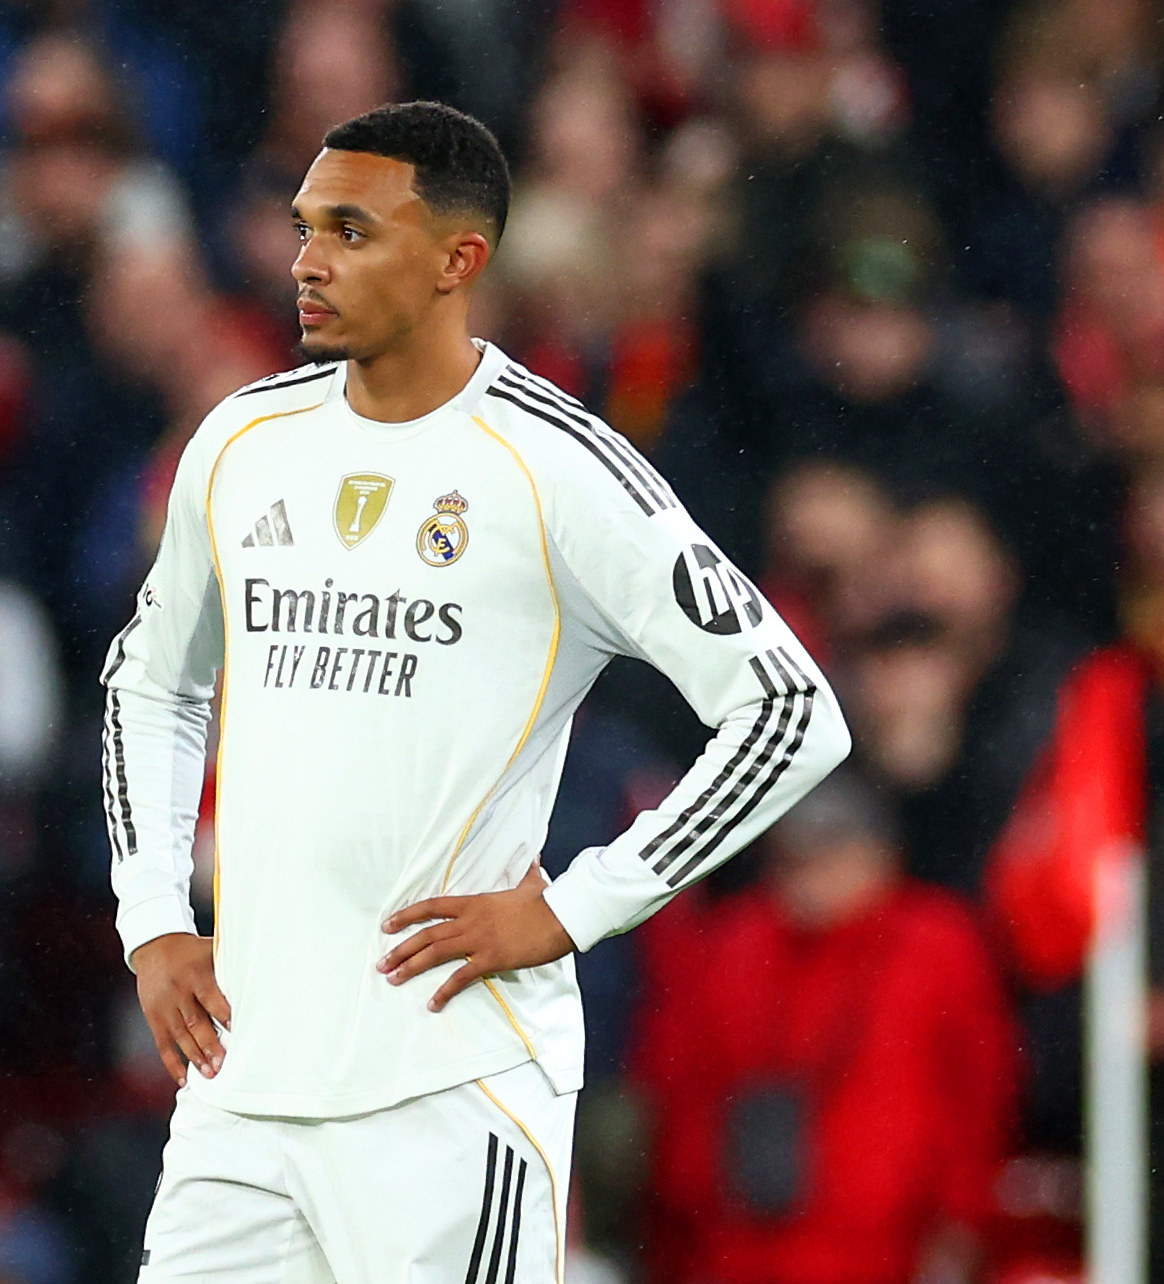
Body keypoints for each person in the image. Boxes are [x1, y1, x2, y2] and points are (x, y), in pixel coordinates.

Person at [106, 100, 849, 1281]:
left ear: (461, 260)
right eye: (305, 228)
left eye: (352, 231)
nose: (307, 260)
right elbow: (148, 686)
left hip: (447, 1090)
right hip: (242, 1089)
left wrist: (577, 903)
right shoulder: (240, 442)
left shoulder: (557, 466)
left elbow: (789, 710)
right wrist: (150, 917)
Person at [632, 772, 1017, 1284]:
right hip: (738, 1242)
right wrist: (685, 1208)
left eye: (831, 853)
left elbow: (980, 1091)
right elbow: (678, 1086)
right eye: (797, 858)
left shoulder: (938, 943)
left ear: (881, 855)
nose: (812, 876)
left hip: (887, 1247)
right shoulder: (734, 941)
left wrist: (961, 1220)